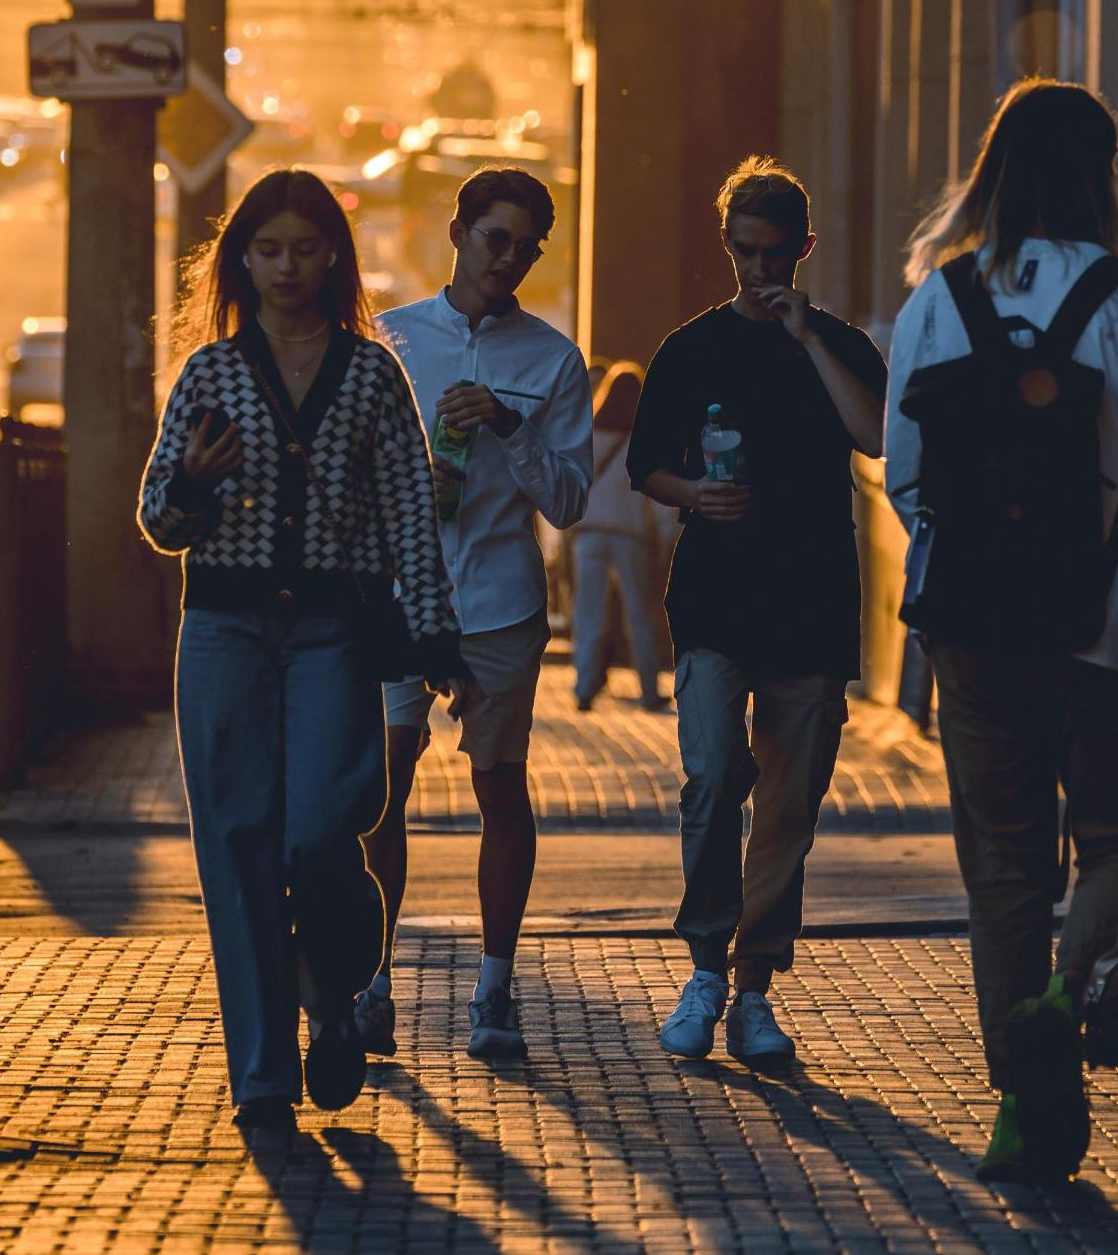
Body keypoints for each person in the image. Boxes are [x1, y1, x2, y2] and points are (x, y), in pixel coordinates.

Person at [883, 79, 1118, 1182]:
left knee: (1002, 869)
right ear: (1100, 175)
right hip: (1108, 635)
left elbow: (907, 474)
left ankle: (1027, 1094)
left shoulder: (939, 299)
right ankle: (1064, 1006)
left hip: (972, 633)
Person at [137, 167, 469, 1133]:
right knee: (236, 844)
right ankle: (263, 1078)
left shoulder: (370, 372)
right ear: (243, 258)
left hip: (332, 628)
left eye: (305, 248)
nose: (287, 267)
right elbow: (159, 518)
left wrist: (435, 632)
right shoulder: (210, 372)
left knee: (323, 827)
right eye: (268, 249)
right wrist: (194, 485)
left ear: (335, 256)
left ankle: (330, 990)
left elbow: (413, 507)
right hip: (225, 630)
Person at [628, 156, 888, 1067]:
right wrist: (696, 495)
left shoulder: (842, 344)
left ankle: (753, 989)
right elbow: (644, 467)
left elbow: (879, 437)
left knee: (787, 808)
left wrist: (808, 338)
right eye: (743, 253)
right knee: (710, 780)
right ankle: (703, 966)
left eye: (774, 256)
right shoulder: (691, 347)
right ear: (726, 244)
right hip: (713, 601)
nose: (758, 272)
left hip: (813, 604)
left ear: (803, 249)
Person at [359, 166, 594, 1061]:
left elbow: (569, 502)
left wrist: (510, 427)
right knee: (377, 792)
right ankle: (370, 981)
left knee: (500, 786)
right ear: (457, 231)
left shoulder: (551, 358)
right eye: (496, 238)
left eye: (528, 248)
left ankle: (495, 993)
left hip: (497, 599)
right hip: (395, 594)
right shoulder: (390, 340)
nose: (511, 260)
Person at [569, 361, 670, 712]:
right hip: (632, 537)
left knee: (588, 612)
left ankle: (584, 686)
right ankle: (648, 690)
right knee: (639, 615)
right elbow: (659, 498)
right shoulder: (643, 439)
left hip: (590, 535)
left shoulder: (589, 436)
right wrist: (666, 538)